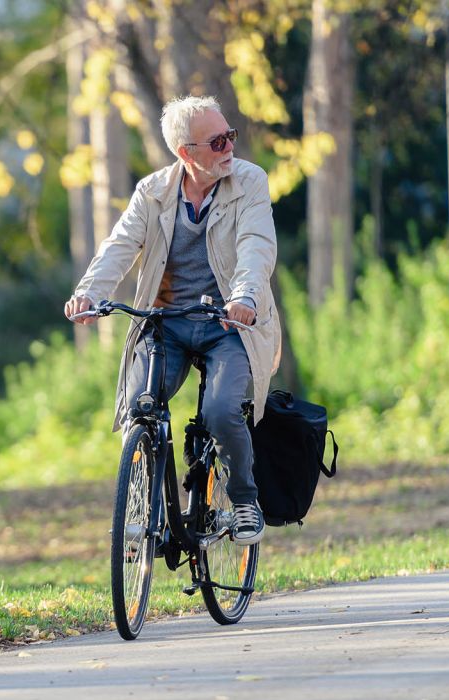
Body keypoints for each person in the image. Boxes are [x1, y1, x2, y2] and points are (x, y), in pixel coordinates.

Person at [64, 95, 281, 545]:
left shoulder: (249, 182)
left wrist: (243, 297)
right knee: (137, 407)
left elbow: (257, 245)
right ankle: (143, 503)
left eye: (230, 136)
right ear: (187, 153)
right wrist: (90, 292)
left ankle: (243, 500)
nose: (229, 148)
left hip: (229, 324)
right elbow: (120, 245)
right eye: (217, 141)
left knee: (221, 412)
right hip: (167, 323)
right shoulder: (154, 191)